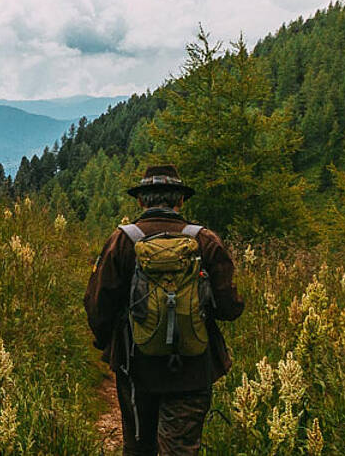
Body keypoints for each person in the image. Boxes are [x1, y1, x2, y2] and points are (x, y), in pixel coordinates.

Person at [85, 164, 244, 455]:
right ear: (180, 200)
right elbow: (230, 308)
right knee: (181, 449)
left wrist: (109, 346)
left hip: (135, 366)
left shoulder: (122, 240)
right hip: (192, 368)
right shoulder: (205, 241)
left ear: (141, 201)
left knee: (139, 448)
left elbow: (97, 304)